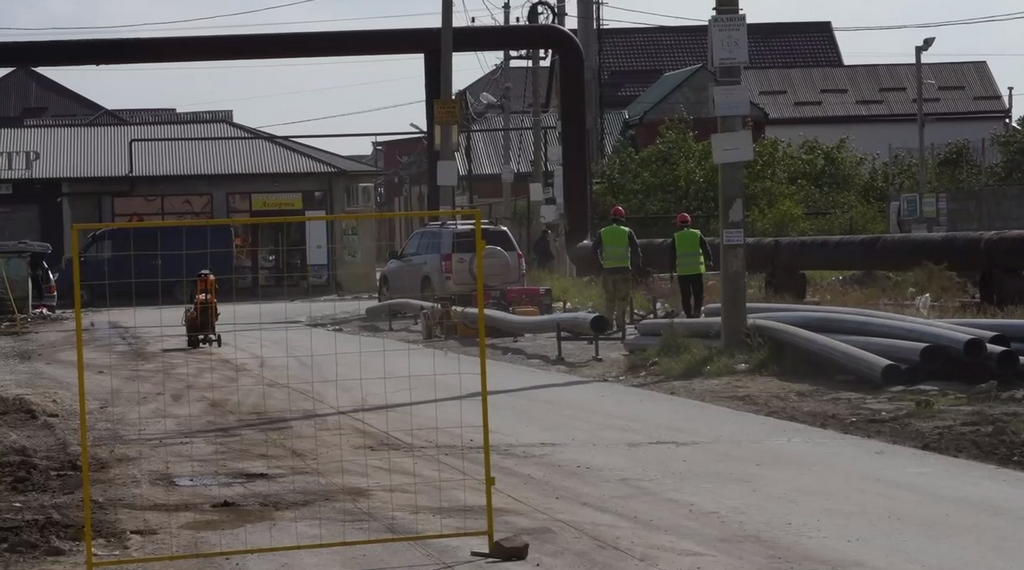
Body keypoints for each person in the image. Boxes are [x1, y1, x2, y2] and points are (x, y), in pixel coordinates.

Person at [592, 205, 642, 331]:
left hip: (608, 271)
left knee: (609, 300)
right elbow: (636, 251)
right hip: (624, 271)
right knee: (622, 299)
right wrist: (636, 267)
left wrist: (600, 264)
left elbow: (593, 249)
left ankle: (608, 324)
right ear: (622, 218)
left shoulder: (603, 232)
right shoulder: (627, 232)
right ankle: (620, 324)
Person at [670, 213, 713, 318]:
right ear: (689, 223)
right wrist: (709, 260)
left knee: (686, 295)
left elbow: (672, 255)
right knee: (698, 294)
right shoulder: (697, 234)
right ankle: (697, 311)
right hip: (696, 270)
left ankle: (688, 314)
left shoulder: (676, 237)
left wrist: (671, 270)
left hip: (683, 272)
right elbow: (706, 248)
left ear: (678, 224)